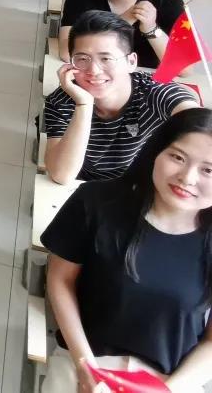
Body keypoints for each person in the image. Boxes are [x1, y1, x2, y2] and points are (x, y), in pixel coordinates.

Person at [41, 108, 212, 392]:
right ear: (156, 151)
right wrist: (86, 368)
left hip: (170, 381)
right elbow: (60, 280)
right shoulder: (96, 202)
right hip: (85, 363)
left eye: (208, 170)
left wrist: (167, 390)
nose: (187, 178)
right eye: (177, 157)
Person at [43, 10, 198, 185]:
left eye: (106, 58)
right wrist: (84, 105)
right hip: (83, 185)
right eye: (82, 59)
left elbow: (198, 122)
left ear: (131, 62)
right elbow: (61, 176)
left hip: (142, 184)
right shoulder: (61, 101)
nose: (94, 70)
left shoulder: (155, 91)